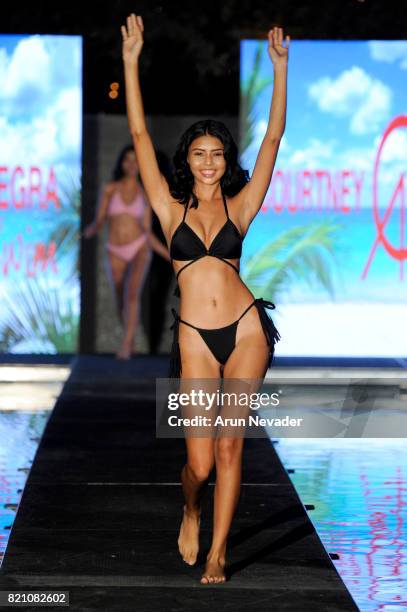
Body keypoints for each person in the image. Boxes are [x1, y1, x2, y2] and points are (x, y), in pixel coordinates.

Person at [121, 13, 289, 583]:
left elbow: (271, 140)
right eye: (200, 153)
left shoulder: (241, 206)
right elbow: (141, 137)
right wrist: (129, 63)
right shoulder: (171, 212)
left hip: (245, 330)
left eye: (217, 153)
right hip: (194, 338)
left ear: (225, 160)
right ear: (188, 161)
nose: (210, 161)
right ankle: (191, 506)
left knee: (227, 450)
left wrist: (280, 70)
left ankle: (220, 553)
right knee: (196, 465)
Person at [83, 144, 170, 359]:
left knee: (132, 296)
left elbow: (148, 233)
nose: (132, 165)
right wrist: (91, 229)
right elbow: (100, 219)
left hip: (139, 247)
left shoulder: (145, 194)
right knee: (121, 299)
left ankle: (126, 344)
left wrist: (169, 255)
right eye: (128, 160)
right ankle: (128, 340)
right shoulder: (110, 189)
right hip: (115, 250)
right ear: (122, 164)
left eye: (136, 160)